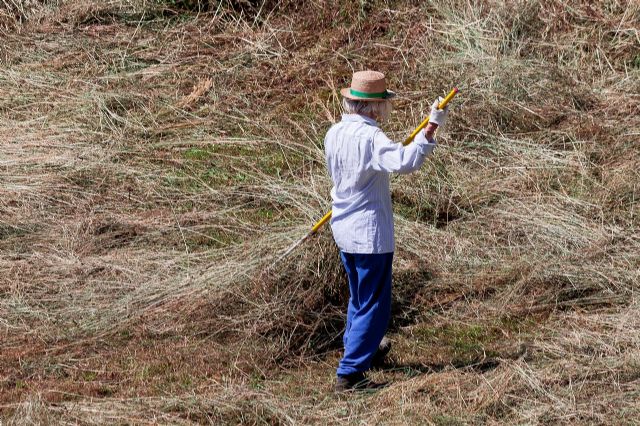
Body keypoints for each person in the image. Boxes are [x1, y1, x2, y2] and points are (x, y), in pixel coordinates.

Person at [324, 70, 449, 392]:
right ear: (374, 107)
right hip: (368, 232)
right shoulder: (370, 137)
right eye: (385, 104)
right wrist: (432, 127)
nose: (386, 110)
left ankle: (365, 350)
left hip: (343, 226)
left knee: (360, 297)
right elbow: (405, 162)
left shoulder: (334, 132)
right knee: (374, 303)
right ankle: (350, 374)